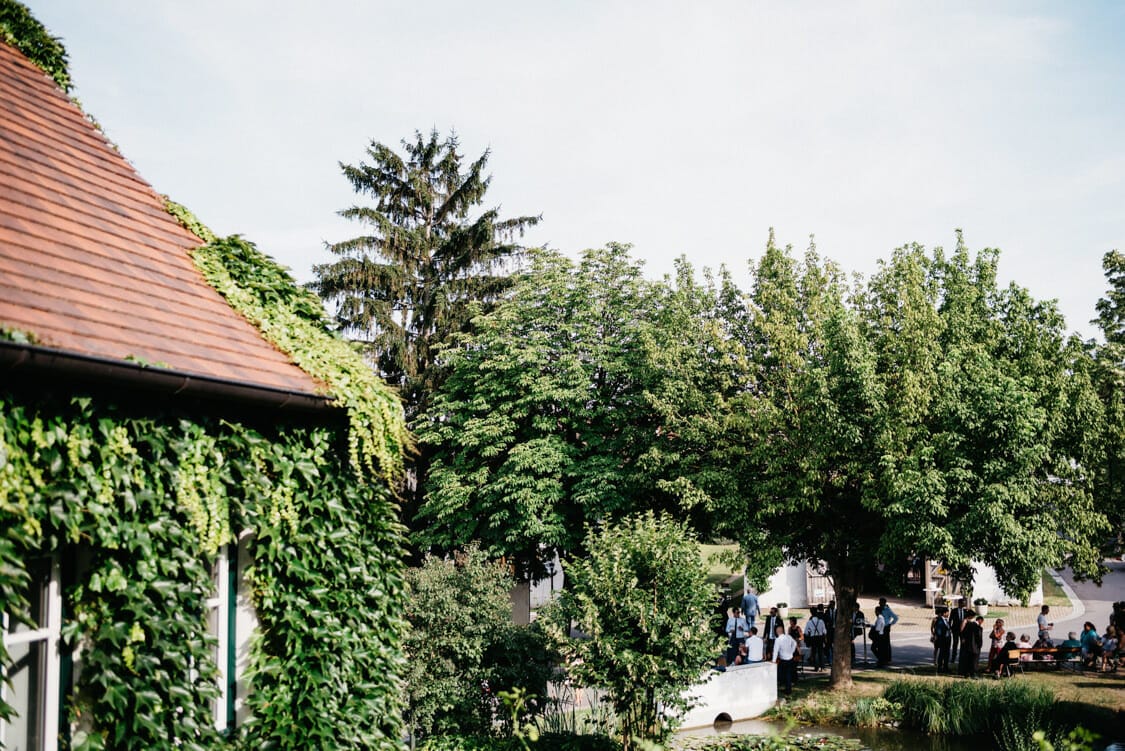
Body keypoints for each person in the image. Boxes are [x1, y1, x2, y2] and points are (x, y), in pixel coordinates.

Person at [774, 623, 798, 697]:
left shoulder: (778, 640)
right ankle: (787, 688)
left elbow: (775, 651)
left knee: (782, 674)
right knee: (788, 674)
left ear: (777, 632)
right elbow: (795, 643)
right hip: (790, 658)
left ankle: (787, 689)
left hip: (783, 659)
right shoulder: (788, 636)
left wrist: (773, 660)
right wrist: (792, 651)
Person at [805, 606, 828, 671]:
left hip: (813, 638)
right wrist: (825, 638)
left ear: (811, 613)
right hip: (820, 638)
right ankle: (823, 667)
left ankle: (816, 667)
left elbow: (806, 632)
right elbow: (824, 631)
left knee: (814, 653)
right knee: (821, 652)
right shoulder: (821, 621)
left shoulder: (809, 622)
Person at [878, 597, 899, 664]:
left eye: (880, 602)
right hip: (881, 627)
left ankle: (888, 659)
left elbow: (895, 617)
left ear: (884, 603)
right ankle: (882, 657)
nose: (879, 603)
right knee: (881, 643)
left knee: (886, 643)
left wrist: (890, 623)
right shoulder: (879, 609)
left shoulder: (887, 610)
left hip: (886, 627)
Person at [931, 607, 952, 672]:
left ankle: (946, 667)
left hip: (948, 639)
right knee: (942, 653)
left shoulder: (946, 620)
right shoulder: (939, 620)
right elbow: (938, 630)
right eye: (947, 612)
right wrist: (938, 637)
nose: (948, 613)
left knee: (947, 653)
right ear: (944, 613)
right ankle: (940, 667)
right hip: (943, 639)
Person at [949, 597, 968, 663]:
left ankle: (962, 658)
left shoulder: (966, 611)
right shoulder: (954, 611)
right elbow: (950, 620)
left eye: (965, 603)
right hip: (955, 630)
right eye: (963, 603)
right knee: (955, 643)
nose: (964, 604)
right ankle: (953, 658)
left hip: (963, 631)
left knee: (963, 644)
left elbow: (967, 620)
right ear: (959, 603)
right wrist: (950, 628)